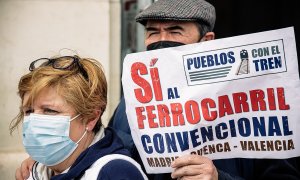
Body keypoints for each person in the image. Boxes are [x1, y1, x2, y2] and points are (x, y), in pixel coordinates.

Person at [15, 0, 300, 179]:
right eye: (153, 32)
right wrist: (50, 155)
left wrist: (218, 178)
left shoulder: (250, 101)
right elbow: (103, 143)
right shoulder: (132, 103)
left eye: (175, 31)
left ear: (207, 40)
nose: (161, 40)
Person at [10, 55, 147, 179]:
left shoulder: (114, 173)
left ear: (91, 118)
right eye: (28, 111)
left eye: (49, 111)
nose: (35, 122)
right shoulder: (33, 171)